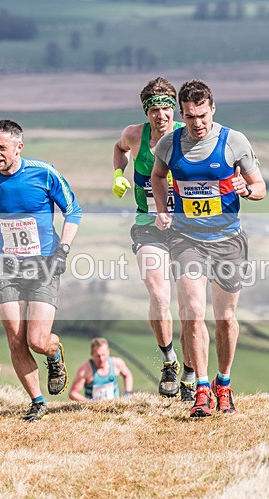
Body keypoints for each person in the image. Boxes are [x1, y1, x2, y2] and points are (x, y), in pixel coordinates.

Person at [150, 79, 267, 418]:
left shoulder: (234, 141)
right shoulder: (170, 145)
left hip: (228, 240)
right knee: (192, 312)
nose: (197, 123)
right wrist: (162, 209)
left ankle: (223, 383)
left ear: (212, 109)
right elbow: (158, 176)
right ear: (181, 115)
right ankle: (201, 388)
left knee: (226, 319)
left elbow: (260, 186)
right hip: (187, 241)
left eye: (202, 115)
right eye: (189, 117)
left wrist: (246, 188)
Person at [0, 119, 82, 422]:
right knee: (15, 337)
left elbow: (74, 211)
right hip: (5, 265)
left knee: (37, 339)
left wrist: (64, 250)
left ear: (19, 147)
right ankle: (37, 401)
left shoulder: (44, 173)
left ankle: (54, 354)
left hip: (44, 264)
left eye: (1, 147)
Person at [112, 76, 195, 401]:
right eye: (154, 109)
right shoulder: (133, 134)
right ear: (146, 111)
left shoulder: (186, 135)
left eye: (166, 108)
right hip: (148, 223)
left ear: (173, 109)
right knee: (160, 297)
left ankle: (191, 372)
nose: (161, 115)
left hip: (186, 228)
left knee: (190, 305)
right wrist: (119, 174)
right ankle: (169, 361)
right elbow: (119, 151)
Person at [68, 337, 134, 402]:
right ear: (92, 354)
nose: (101, 359)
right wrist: (89, 402)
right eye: (98, 356)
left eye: (104, 355)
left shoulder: (117, 363)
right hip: (94, 410)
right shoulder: (85, 370)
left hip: (115, 407)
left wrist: (127, 393)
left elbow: (127, 375)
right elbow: (73, 393)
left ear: (108, 352)